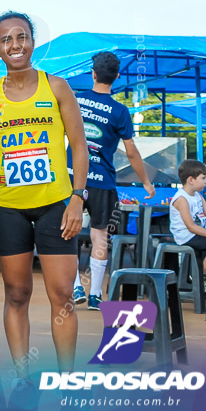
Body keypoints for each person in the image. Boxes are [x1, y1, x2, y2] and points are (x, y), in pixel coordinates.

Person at [0, 12, 87, 402]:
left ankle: (67, 381)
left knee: (62, 294)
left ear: (32, 41)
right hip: (8, 208)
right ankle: (23, 376)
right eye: (6, 40)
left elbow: (78, 146)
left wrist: (77, 197)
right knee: (16, 293)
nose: (16, 45)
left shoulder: (56, 86)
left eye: (22, 37)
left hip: (56, 206)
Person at [66, 51, 156, 311]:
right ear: (117, 76)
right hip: (103, 182)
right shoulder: (120, 111)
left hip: (73, 179)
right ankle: (95, 295)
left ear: (92, 73)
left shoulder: (76, 100)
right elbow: (131, 151)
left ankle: (74, 287)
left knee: (66, 233)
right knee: (100, 236)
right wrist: (146, 183)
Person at [169, 159, 206, 290]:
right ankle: (199, 276)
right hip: (187, 236)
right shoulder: (182, 199)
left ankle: (204, 275)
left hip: (199, 233)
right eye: (203, 178)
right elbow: (190, 226)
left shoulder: (197, 195)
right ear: (191, 180)